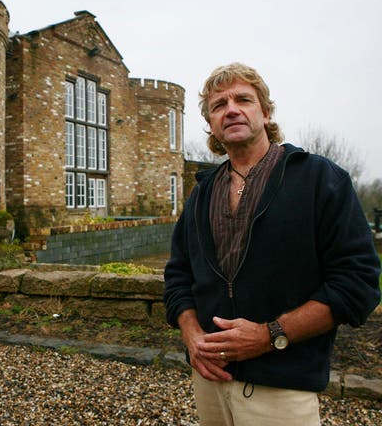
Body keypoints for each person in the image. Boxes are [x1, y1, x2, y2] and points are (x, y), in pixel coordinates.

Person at [163, 62, 381, 426]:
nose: (231, 109)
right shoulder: (201, 194)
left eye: (243, 99)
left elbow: (357, 284)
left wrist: (270, 335)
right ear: (212, 124)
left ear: (264, 112)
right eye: (218, 105)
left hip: (283, 386)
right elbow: (178, 276)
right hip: (209, 380)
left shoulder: (319, 179)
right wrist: (192, 336)